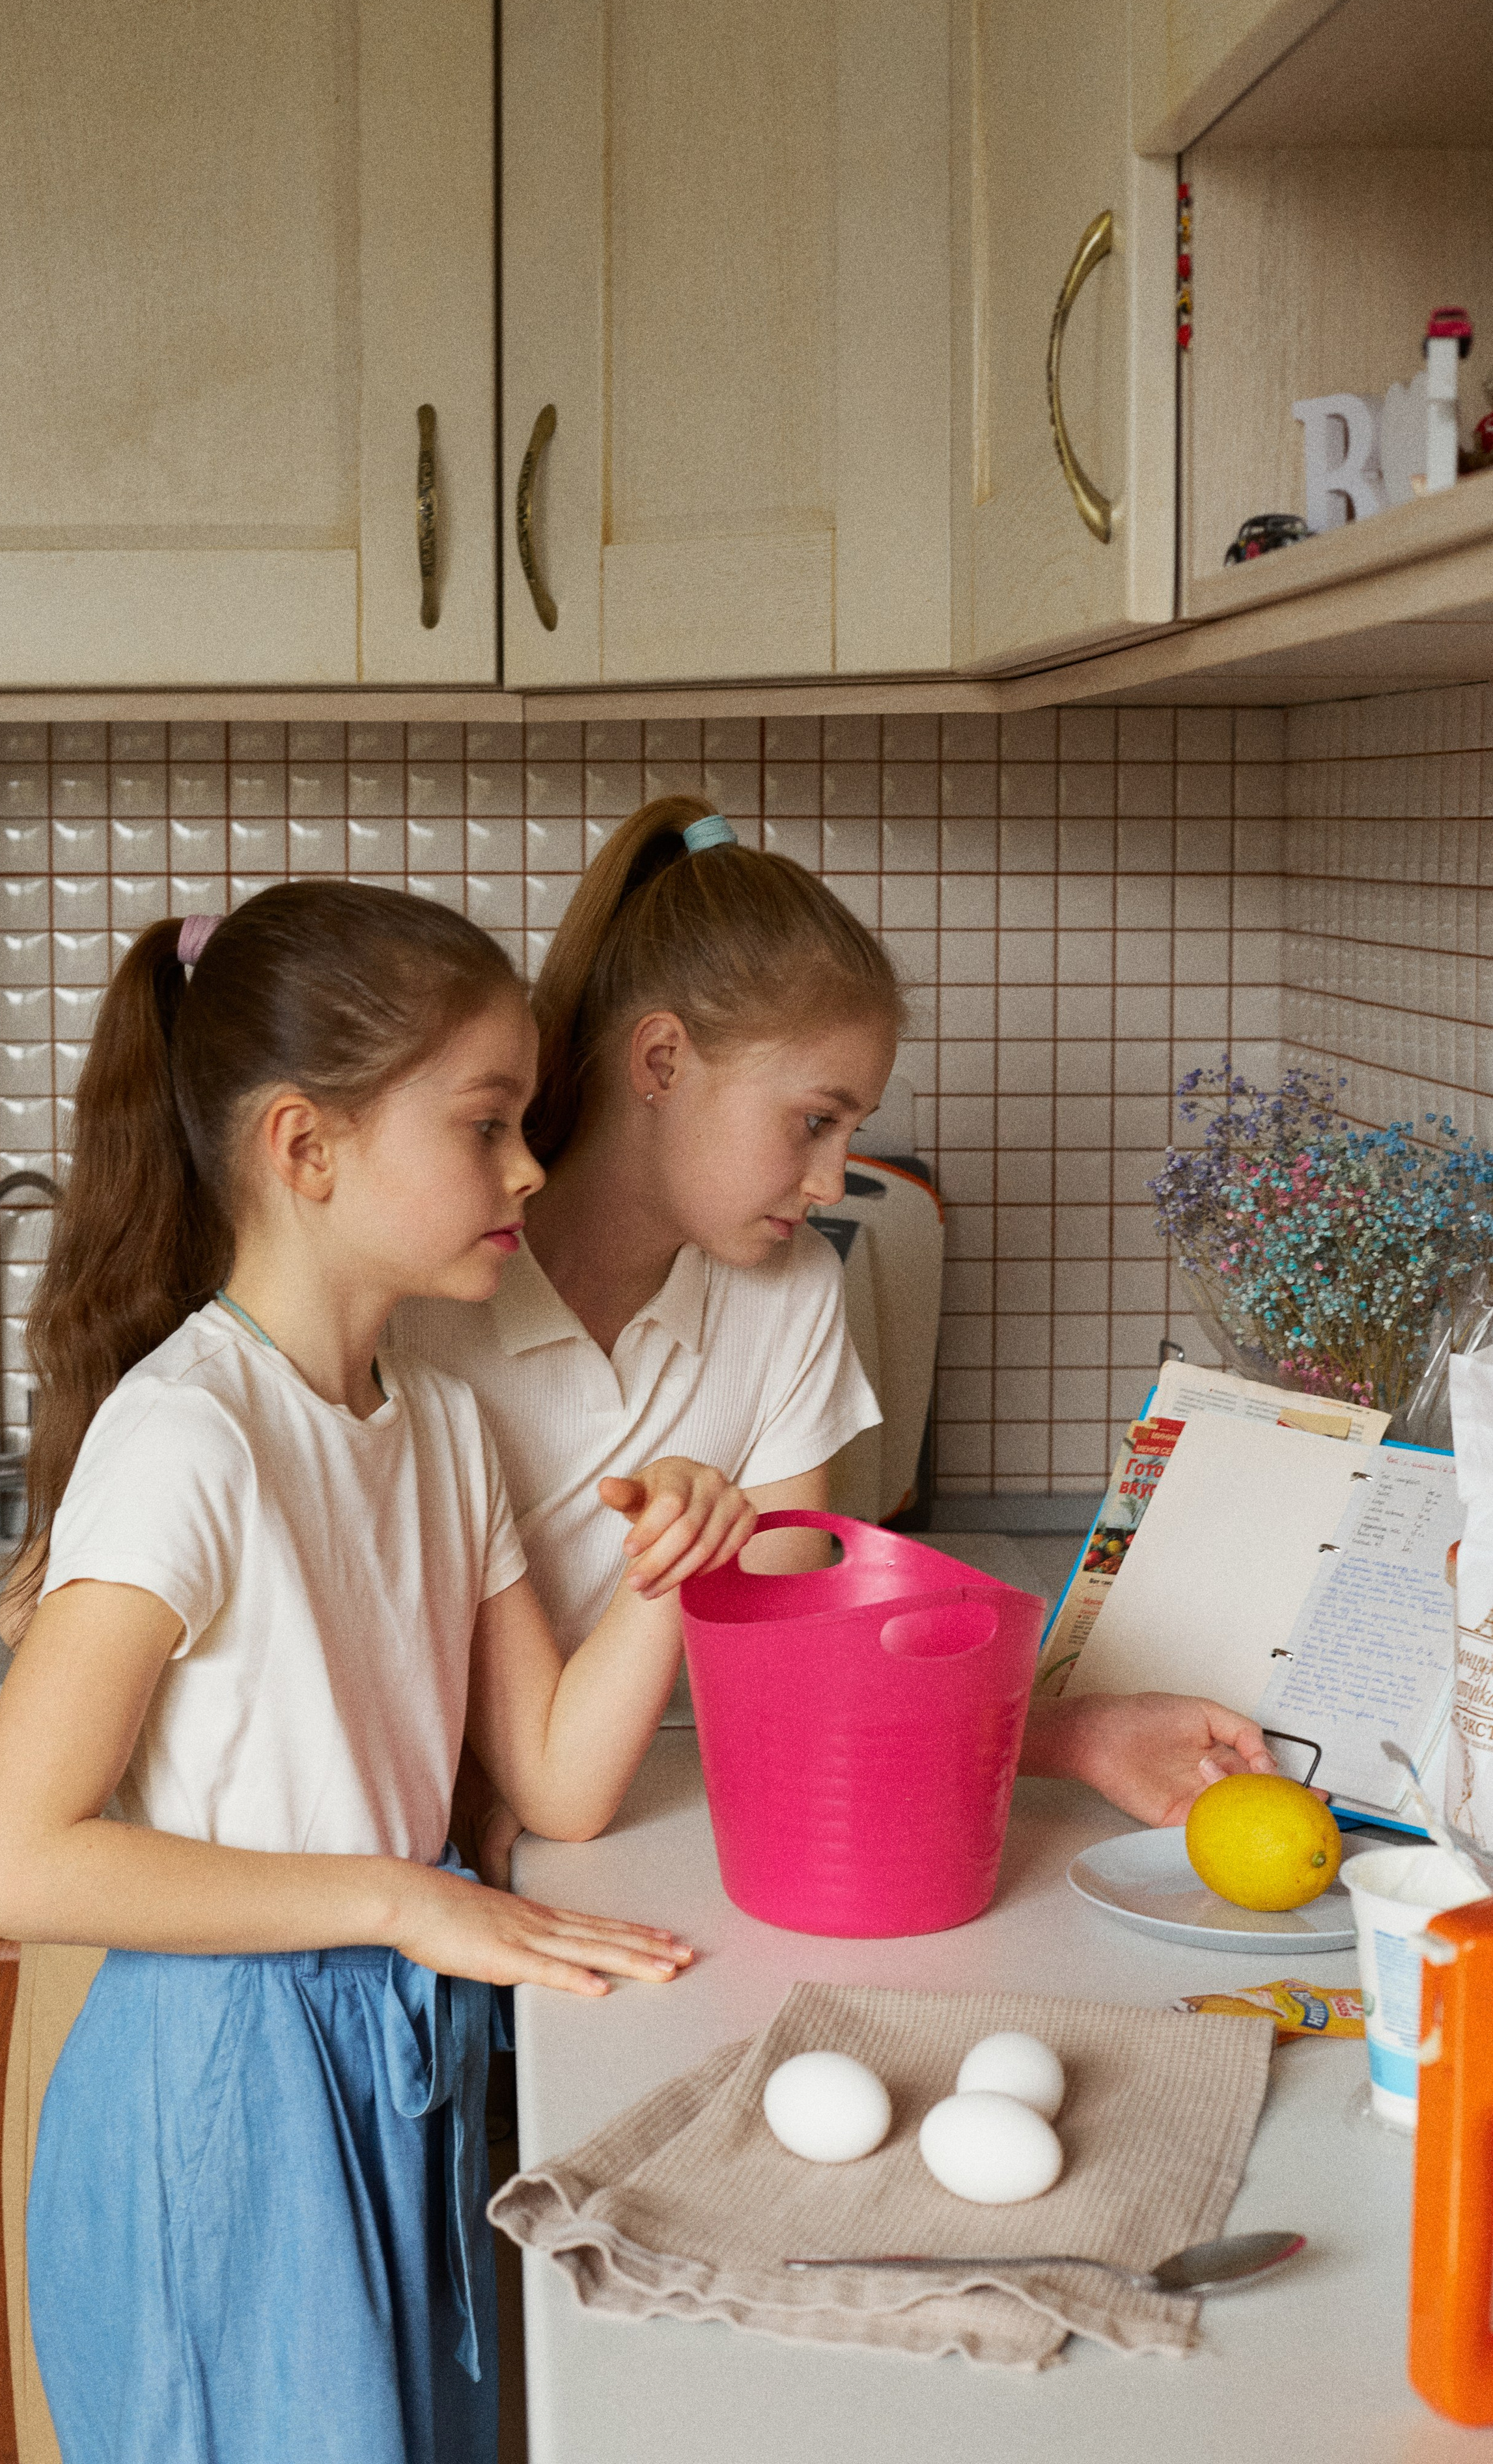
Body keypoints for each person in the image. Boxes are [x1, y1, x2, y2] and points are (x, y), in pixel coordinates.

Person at [0, 881, 759, 2464]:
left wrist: (674, 1566)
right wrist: (404, 1900)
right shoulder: (189, 1437)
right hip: (226, 2093)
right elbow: (17, 1863)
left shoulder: (440, 1427)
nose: (528, 1167)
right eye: (484, 1124)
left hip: (386, 2060)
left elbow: (555, 1777)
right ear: (304, 1148)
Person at [387, 797, 1277, 1887]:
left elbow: (795, 1645)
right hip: (444, 1840)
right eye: (815, 1121)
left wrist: (1075, 1736)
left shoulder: (793, 1287)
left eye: (849, 1132)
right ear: (660, 1061)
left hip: (679, 1800)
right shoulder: (429, 1288)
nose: (831, 1180)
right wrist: (464, 1768)